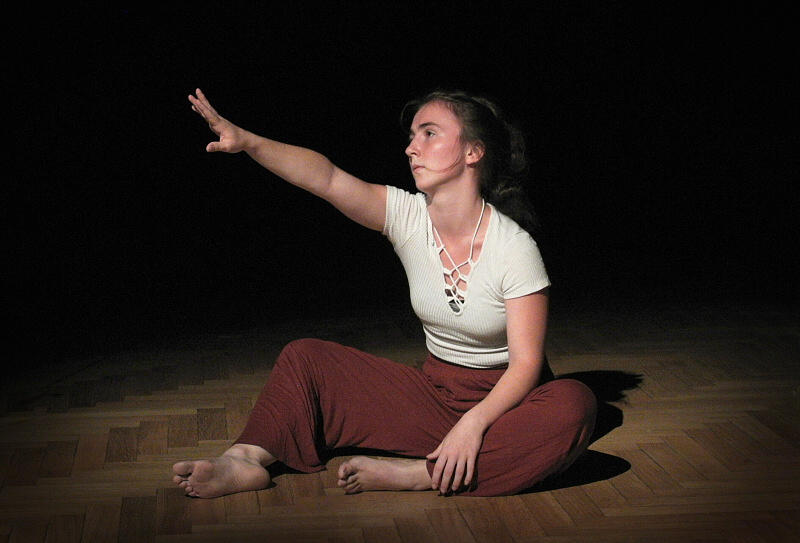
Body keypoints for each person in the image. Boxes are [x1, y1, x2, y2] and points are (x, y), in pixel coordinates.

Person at [172, 88, 597, 498]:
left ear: (473, 152)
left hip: (506, 408)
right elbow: (326, 178)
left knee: (574, 405)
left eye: (429, 133)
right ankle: (244, 459)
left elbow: (525, 366)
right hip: (434, 396)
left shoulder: (515, 248)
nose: (411, 148)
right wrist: (248, 142)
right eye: (412, 136)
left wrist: (473, 424)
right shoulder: (408, 217)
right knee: (306, 359)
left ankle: (421, 475)